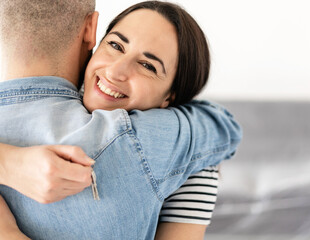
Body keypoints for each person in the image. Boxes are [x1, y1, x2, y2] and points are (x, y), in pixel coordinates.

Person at [0, 1, 241, 239]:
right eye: (116, 45)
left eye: (148, 65)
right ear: (93, 34)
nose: (116, 71)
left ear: (170, 96)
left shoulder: (189, 156)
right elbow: (225, 127)